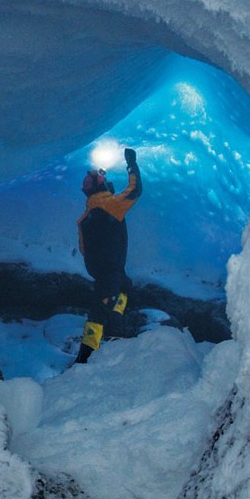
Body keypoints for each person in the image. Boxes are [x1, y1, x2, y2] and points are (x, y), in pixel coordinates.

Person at [74, 146, 142, 363]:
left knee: (123, 292)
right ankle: (87, 356)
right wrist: (131, 163)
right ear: (101, 186)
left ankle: (112, 336)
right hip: (110, 268)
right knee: (103, 307)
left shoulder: (85, 217)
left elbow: (83, 248)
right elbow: (135, 190)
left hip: (100, 268)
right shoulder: (111, 205)